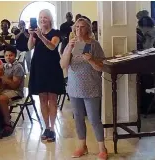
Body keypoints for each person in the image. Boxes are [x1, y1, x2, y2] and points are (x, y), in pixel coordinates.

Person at [60, 18, 108, 160]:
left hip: (91, 86)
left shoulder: (94, 45)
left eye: (82, 27)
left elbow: (101, 67)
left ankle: (102, 148)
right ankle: (82, 146)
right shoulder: (71, 44)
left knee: (94, 119)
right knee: (78, 118)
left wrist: (91, 59)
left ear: (87, 29)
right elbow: (63, 65)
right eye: (76, 27)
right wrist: (69, 48)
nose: (79, 30)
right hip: (74, 87)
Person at [28, 9, 65, 142]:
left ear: (50, 19)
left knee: (52, 99)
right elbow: (29, 47)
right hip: (39, 68)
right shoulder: (37, 33)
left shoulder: (56, 33)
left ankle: (53, 129)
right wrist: (32, 35)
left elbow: (52, 47)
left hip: (52, 68)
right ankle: (46, 127)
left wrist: (41, 36)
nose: (42, 20)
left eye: (45, 17)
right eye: (40, 17)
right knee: (43, 98)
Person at [0, 45, 25, 136]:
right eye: (6, 56)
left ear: (15, 56)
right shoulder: (4, 66)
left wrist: (4, 78)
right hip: (5, 90)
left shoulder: (18, 67)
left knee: (1, 98)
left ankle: (7, 123)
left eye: (11, 55)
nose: (8, 57)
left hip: (17, 92)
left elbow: (14, 86)